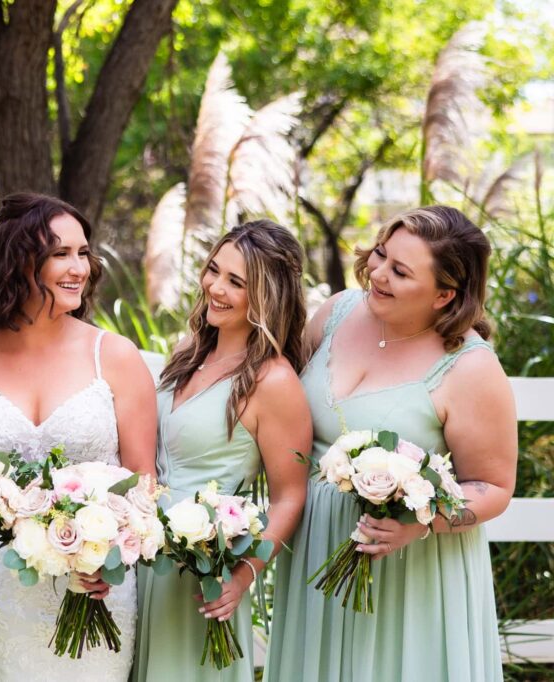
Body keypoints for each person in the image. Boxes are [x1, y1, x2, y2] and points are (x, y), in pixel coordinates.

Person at [265, 206, 517, 682]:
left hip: (410, 570)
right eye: (381, 254)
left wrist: (422, 522)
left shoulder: (471, 368)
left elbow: (493, 486)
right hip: (317, 550)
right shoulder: (337, 312)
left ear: (445, 294)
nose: (377, 273)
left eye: (400, 271)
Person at [0, 193, 158, 681]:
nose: (79, 267)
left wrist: (110, 558)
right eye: (60, 254)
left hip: (92, 588)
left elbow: (143, 483)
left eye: (82, 253)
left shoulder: (115, 357)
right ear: (18, 260)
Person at [132, 220, 312, 681]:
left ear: (267, 296)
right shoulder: (187, 351)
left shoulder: (273, 382)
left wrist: (243, 575)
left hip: (203, 575)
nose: (215, 287)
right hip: (140, 558)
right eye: (214, 271)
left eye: (237, 282)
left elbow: (288, 496)